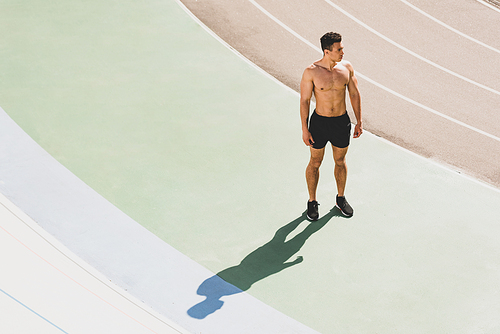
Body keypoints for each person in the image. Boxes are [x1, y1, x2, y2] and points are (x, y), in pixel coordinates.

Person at [300, 32, 362, 220]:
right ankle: (312, 201)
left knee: (340, 161)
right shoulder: (311, 71)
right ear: (327, 51)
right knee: (315, 162)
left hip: (341, 122)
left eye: (342, 48)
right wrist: (305, 128)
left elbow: (354, 94)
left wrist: (359, 121)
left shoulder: (347, 68)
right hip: (319, 123)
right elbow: (304, 100)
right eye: (339, 49)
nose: (343, 52)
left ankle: (340, 198)